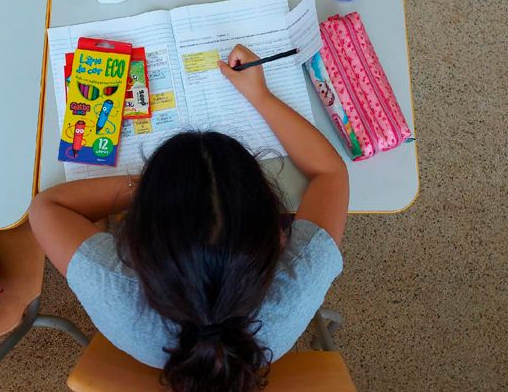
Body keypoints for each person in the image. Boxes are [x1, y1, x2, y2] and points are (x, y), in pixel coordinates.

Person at [29, 44, 349, 392]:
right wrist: (260, 95)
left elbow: (46, 208)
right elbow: (330, 173)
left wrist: (157, 188)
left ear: (134, 244)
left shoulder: (114, 288)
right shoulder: (298, 282)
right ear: (279, 236)